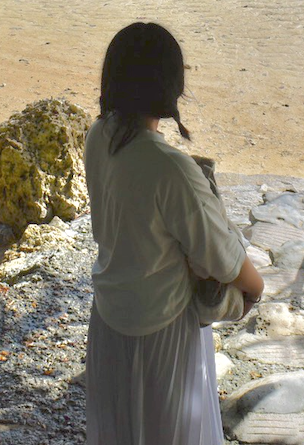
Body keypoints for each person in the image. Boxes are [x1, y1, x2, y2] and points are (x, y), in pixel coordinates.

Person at [84, 22, 265, 445]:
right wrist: (256, 290)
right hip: (161, 330)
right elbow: (223, 258)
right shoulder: (171, 168)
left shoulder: (98, 137)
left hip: (110, 314)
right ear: (169, 87)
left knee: (120, 427)